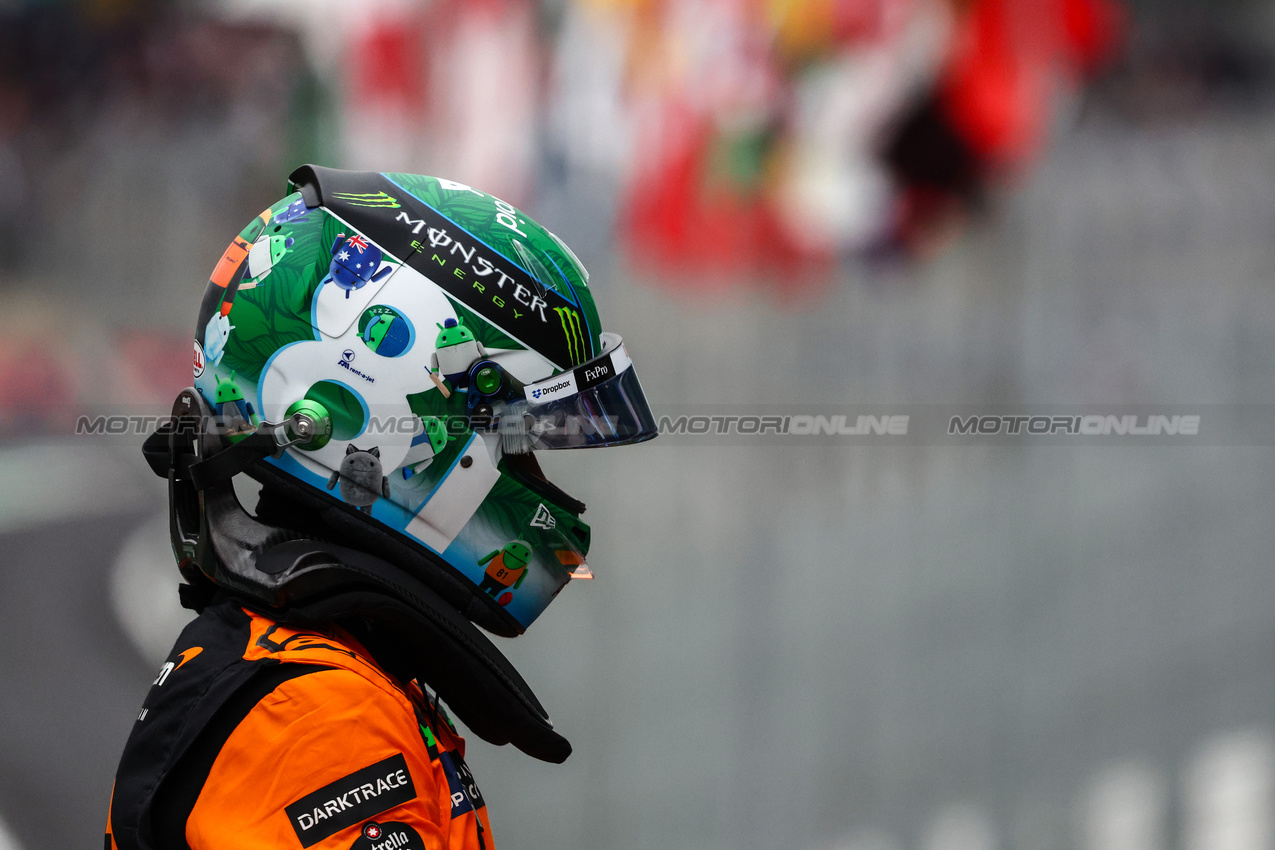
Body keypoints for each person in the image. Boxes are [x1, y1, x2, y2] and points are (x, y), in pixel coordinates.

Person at [106, 166, 659, 850]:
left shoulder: (334, 671)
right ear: (351, 417)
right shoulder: (318, 712)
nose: (539, 485)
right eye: (516, 445)